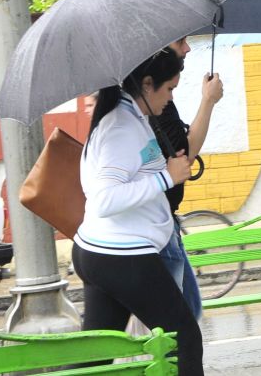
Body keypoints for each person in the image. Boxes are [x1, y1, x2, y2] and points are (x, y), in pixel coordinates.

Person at [72, 48, 203, 376]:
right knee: (185, 339)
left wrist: (167, 170)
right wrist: (166, 177)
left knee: (96, 359)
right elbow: (104, 200)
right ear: (147, 84)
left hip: (105, 253)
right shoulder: (121, 127)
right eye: (169, 89)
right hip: (121, 254)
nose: (170, 98)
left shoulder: (130, 117)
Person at [152, 36, 223, 320]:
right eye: (180, 41)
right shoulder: (153, 107)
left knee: (185, 312)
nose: (188, 48)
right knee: (183, 316)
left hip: (164, 220)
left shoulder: (154, 102)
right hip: (157, 224)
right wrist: (208, 101)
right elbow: (185, 156)